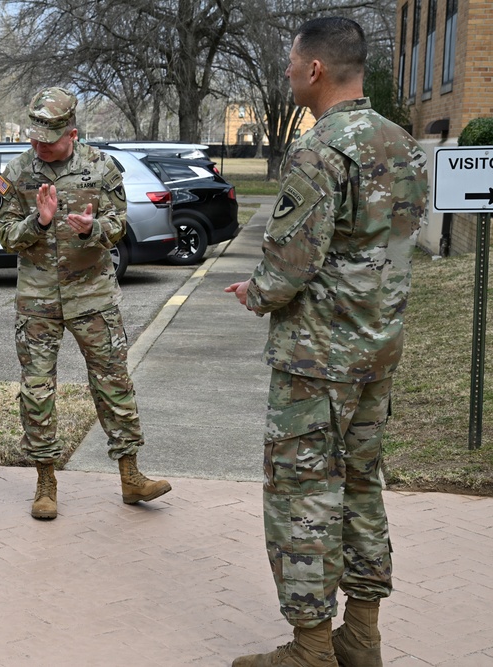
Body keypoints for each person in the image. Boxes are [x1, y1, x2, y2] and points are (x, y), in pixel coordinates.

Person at [225, 17, 428, 667]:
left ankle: (312, 645)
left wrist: (255, 292)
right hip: (378, 350)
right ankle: (362, 635)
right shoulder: (402, 143)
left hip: (318, 358)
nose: (286, 72)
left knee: (301, 489)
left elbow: (288, 268)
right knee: (361, 482)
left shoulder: (320, 150)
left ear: (315, 70)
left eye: (290, 63)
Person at [0, 87, 171, 520]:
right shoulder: (16, 173)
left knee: (113, 382)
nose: (38, 146)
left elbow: (119, 223)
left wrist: (94, 228)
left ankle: (131, 475)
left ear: (72, 133)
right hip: (38, 300)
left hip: (92, 296)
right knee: (37, 390)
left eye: (48, 139)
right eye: (34, 137)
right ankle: (45, 482)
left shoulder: (101, 167)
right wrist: (39, 221)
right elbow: (4, 235)